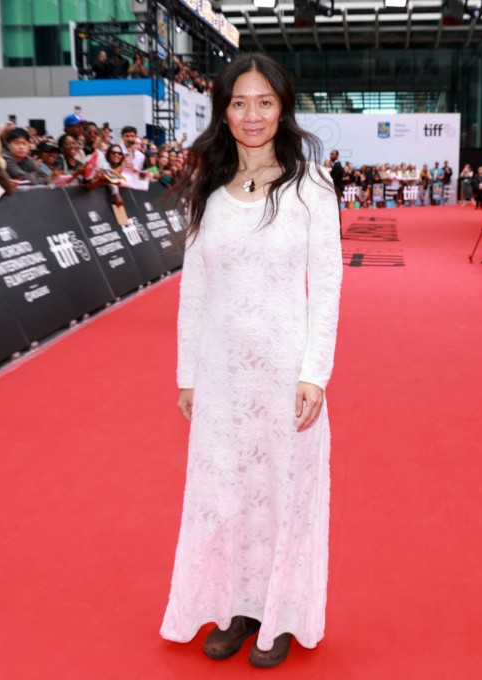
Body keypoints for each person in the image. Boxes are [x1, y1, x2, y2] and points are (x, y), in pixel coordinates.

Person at [160, 52, 342, 670]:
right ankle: (235, 607)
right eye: (239, 102)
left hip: (285, 372)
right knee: (225, 492)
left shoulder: (311, 185)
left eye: (264, 101)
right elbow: (194, 288)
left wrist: (315, 372)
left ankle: (278, 612)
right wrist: (188, 375)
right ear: (224, 111)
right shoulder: (209, 188)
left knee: (282, 493)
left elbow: (328, 284)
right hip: (221, 373)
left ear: (283, 108)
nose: (252, 114)